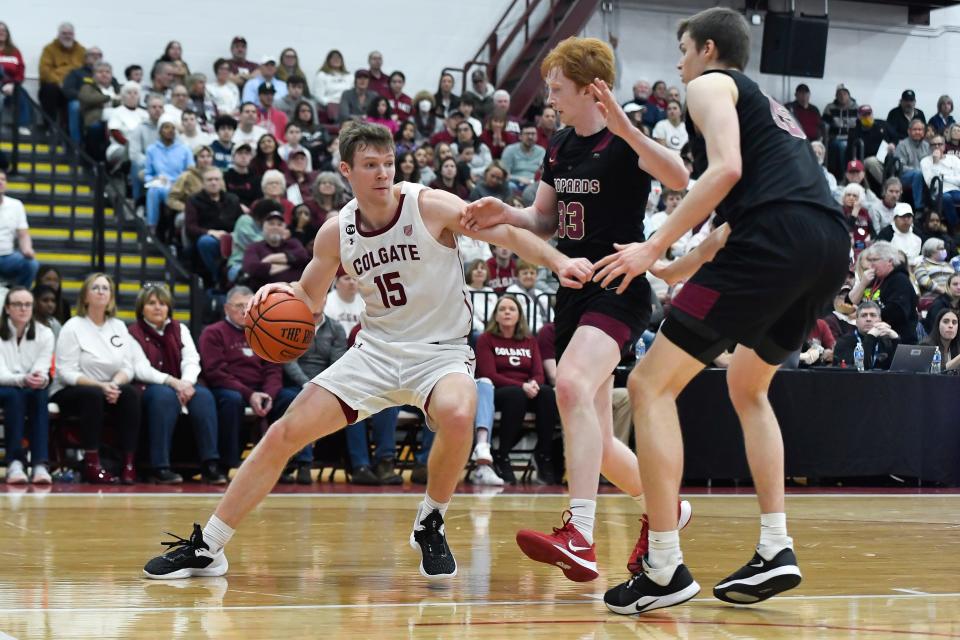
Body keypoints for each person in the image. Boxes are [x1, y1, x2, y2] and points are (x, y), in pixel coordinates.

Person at [142, 122, 592, 583]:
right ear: (346, 171)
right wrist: (279, 294)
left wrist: (558, 262)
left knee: (460, 413)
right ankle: (209, 546)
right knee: (282, 434)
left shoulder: (430, 205)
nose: (382, 173)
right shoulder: (336, 233)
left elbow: (508, 235)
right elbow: (308, 300)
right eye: (370, 165)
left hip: (441, 353)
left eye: (388, 163)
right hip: (375, 352)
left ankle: (431, 519)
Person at [583, 9, 850, 613]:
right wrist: (685, 262)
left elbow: (726, 171)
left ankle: (664, 566)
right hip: (826, 243)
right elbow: (748, 199)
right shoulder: (770, 113)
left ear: (707, 49)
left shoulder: (709, 85)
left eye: (682, 50)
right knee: (748, 385)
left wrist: (654, 244)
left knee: (650, 385)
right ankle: (777, 546)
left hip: (775, 241)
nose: (678, 64)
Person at [461, 36, 692, 586]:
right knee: (600, 440)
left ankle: (580, 533)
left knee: (568, 385)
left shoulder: (626, 139)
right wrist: (506, 212)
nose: (551, 100)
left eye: (559, 89)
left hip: (618, 283)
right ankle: (669, 510)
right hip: (572, 289)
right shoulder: (560, 144)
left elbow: (680, 178)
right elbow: (544, 220)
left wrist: (626, 125)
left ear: (593, 90)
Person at [128, 285, 226, 485]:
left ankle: (210, 463)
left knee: (204, 396)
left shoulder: (179, 328)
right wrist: (173, 382)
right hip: (152, 385)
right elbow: (140, 368)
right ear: (141, 308)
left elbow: (191, 359)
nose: (158, 308)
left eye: (162, 303)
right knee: (163, 397)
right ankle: (160, 466)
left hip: (183, 382)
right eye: (152, 303)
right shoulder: (133, 332)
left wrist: (187, 383)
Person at [51, 273, 142, 484]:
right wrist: (101, 386)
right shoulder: (73, 326)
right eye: (96, 288)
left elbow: (128, 367)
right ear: (85, 297)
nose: (101, 292)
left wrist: (114, 384)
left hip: (109, 388)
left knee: (131, 394)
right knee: (92, 395)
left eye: (106, 288)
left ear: (110, 297)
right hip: (73, 390)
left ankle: (129, 463)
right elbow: (66, 372)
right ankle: (92, 463)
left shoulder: (118, 327)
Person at [475, 295, 559, 484]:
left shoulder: (529, 340)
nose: (507, 312)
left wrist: (535, 384)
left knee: (546, 393)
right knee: (516, 395)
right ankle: (502, 455)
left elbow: (538, 372)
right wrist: (522, 386)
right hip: (498, 392)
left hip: (526, 389)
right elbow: (488, 374)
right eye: (502, 309)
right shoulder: (486, 339)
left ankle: (543, 454)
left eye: (511, 309)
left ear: (519, 316)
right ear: (495, 316)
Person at [0, 287, 55, 485]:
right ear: (7, 308)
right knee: (15, 396)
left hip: (29, 387)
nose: (23, 309)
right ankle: (15, 463)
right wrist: (22, 379)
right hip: (4, 387)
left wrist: (40, 379)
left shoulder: (45, 334)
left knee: (40, 393)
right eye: (17, 304)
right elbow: (1, 374)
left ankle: (40, 464)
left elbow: (42, 368)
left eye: (28, 304)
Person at [853, 241, 918, 343]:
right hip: (875, 339)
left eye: (875, 260)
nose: (871, 265)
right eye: (870, 260)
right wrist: (862, 284)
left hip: (898, 340)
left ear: (890, 261)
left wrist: (871, 316)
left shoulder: (900, 280)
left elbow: (897, 311)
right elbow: (849, 302)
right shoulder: (873, 279)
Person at [185, 167, 242, 281]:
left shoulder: (233, 199)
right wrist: (210, 232)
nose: (213, 182)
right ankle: (219, 278)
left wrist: (232, 235)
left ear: (222, 182)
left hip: (232, 238)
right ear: (203, 183)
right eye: (209, 180)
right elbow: (190, 227)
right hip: (210, 239)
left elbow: (241, 221)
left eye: (217, 179)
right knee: (205, 242)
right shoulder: (193, 200)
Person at [144, 115, 193, 230]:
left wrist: (179, 182)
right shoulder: (151, 150)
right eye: (166, 127)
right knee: (153, 192)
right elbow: (147, 173)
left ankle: (170, 231)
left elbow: (191, 172)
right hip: (159, 184)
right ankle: (152, 228)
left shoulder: (185, 149)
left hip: (179, 186)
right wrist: (154, 179)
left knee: (170, 194)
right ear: (160, 130)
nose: (170, 131)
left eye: (172, 128)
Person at [241, 210, 309, 291]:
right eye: (271, 224)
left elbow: (303, 256)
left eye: (279, 224)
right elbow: (253, 269)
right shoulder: (254, 247)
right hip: (266, 296)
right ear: (263, 227)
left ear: (284, 228)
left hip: (296, 292)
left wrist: (270, 259)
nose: (275, 227)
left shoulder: (293, 243)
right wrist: (292, 264)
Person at [38, 23, 85, 127]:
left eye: (70, 33)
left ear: (74, 35)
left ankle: (68, 130)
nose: (67, 36)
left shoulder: (81, 51)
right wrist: (59, 82)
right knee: (48, 89)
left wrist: (70, 85)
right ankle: (49, 126)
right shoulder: (49, 49)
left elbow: (85, 71)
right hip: (56, 86)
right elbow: (44, 71)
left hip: (74, 87)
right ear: (58, 35)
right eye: (64, 33)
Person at [832, 301, 899, 370]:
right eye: (864, 315)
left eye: (873, 315)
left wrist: (896, 340)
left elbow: (900, 369)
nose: (868, 319)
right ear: (857, 321)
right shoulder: (844, 342)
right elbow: (859, 366)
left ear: (880, 320)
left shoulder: (886, 341)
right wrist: (870, 337)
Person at [0, 169, 38, 287]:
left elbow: (23, 234)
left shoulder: (16, 205)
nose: (1, 182)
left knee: (31, 264)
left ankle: (19, 296)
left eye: (3, 179)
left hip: (8, 256)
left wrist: (27, 249)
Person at [921, 134, 960, 229]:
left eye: (939, 144)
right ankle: (956, 227)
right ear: (930, 147)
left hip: (955, 189)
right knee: (946, 198)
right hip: (938, 192)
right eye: (934, 144)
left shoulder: (954, 159)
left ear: (944, 145)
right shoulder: (925, 161)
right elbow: (931, 183)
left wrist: (944, 177)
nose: (937, 146)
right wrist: (935, 163)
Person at [506, 259, 554, 333]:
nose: (529, 276)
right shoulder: (512, 291)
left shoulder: (540, 294)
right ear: (518, 275)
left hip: (543, 332)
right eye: (525, 273)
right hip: (521, 332)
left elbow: (551, 315)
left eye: (532, 273)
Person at [895, 119, 931, 213]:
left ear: (923, 132)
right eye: (915, 129)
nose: (917, 132)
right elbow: (900, 166)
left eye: (920, 130)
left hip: (924, 176)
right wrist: (918, 171)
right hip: (904, 177)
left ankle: (934, 207)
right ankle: (919, 207)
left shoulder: (927, 146)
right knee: (918, 173)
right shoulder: (902, 145)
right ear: (909, 131)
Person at [501, 123, 546, 192]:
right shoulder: (510, 150)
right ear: (520, 136)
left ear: (537, 136)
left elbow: (544, 173)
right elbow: (504, 174)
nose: (530, 137)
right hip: (515, 183)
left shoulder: (542, 151)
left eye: (533, 134)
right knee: (509, 186)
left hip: (534, 184)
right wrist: (518, 178)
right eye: (527, 134)